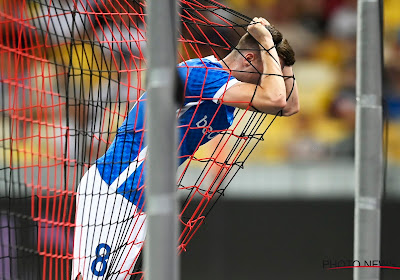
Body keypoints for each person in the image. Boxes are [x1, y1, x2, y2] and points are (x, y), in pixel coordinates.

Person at [72, 17, 299, 280]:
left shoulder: (226, 88)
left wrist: (281, 57)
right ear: (249, 58)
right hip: (114, 188)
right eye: (268, 71)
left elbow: (289, 107)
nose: (270, 80)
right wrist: (268, 46)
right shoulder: (204, 76)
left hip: (139, 197)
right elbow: (275, 97)